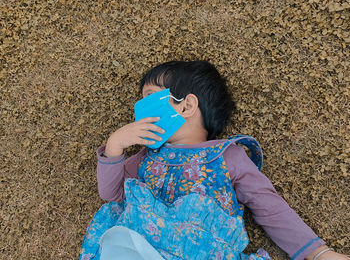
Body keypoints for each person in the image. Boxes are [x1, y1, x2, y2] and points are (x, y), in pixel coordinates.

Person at [80, 61, 349, 260]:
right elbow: (112, 193)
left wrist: (318, 252)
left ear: (186, 106)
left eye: (149, 98)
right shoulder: (147, 157)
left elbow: (269, 207)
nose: (140, 112)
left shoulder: (227, 155)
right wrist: (115, 145)